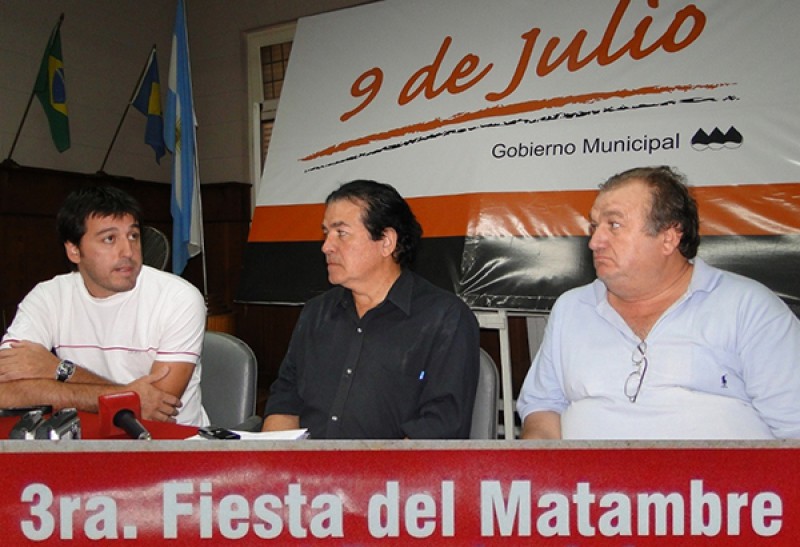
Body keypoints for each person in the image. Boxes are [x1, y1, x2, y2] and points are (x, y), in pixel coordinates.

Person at [517, 166, 800, 440]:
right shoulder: (571, 309)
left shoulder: (748, 308)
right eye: (594, 226)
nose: (595, 241)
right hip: (588, 475)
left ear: (668, 238)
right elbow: (543, 408)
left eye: (614, 225)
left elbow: (793, 427)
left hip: (717, 475)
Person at [262, 179, 480, 439]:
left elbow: (439, 428)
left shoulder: (445, 318)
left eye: (341, 233)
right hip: (308, 463)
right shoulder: (316, 313)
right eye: (326, 233)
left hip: (395, 465)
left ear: (386, 242)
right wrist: (276, 460)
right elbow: (285, 401)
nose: (326, 246)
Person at [0, 186, 209, 426]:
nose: (128, 251)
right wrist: (123, 397)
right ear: (74, 250)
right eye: (110, 239)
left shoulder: (178, 298)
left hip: (173, 441)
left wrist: (60, 371)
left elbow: (156, 407)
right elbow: (5, 393)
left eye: (133, 236)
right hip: (86, 438)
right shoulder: (47, 296)